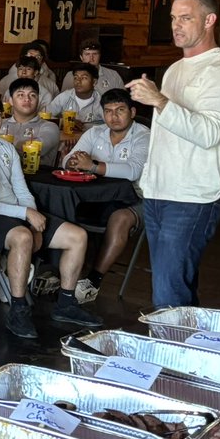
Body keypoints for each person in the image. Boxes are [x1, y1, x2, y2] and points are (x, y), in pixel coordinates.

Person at [127, 0, 220, 309]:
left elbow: (209, 133)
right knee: (174, 287)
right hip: (160, 191)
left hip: (194, 195)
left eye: (186, 17)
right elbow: (167, 134)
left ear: (209, 20)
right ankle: (186, 351)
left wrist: (158, 100)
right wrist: (148, 181)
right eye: (173, 18)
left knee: (168, 294)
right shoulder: (175, 70)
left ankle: (172, 355)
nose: (176, 25)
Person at [0, 94, 102, 338]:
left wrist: (32, 215)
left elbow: (21, 188)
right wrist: (25, 214)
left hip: (18, 211)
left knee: (77, 236)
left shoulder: (5, 146)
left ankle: (66, 303)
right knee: (23, 238)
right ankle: (18, 309)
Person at [63, 89, 150, 303]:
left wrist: (92, 166)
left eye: (120, 110)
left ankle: (93, 280)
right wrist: (73, 162)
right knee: (63, 205)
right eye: (108, 111)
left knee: (120, 219)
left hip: (138, 198)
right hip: (97, 197)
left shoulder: (144, 135)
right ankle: (62, 275)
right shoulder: (94, 133)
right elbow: (66, 161)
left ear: (132, 111)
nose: (114, 116)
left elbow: (132, 171)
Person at [0, 78, 60, 169]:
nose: (27, 99)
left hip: (36, 180)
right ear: (11, 101)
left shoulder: (49, 127)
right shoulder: (0, 124)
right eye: (21, 95)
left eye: (32, 95)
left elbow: (34, 149)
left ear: (38, 100)